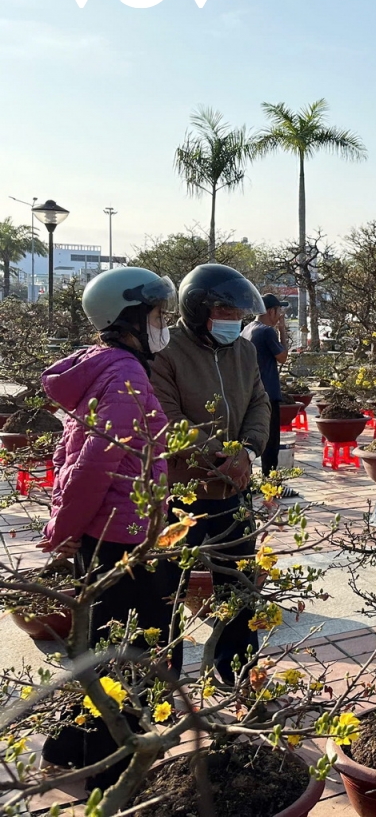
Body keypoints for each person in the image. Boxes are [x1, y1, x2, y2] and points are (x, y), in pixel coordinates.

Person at [38, 267, 178, 785]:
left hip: (111, 530)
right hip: (124, 536)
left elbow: (76, 451)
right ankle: (115, 763)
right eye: (158, 315)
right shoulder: (125, 374)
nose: (165, 325)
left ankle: (74, 743)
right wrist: (61, 528)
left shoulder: (103, 366)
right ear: (130, 320)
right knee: (137, 650)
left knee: (104, 643)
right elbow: (97, 463)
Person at [149, 264, 271, 684]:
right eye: (224, 310)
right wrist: (224, 453)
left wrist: (249, 450)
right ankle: (163, 680)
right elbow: (166, 417)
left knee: (238, 588)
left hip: (232, 492)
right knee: (165, 591)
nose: (233, 319)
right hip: (181, 494)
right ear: (198, 308)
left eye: (238, 312)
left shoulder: (245, 350)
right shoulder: (165, 351)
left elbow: (260, 402)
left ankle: (236, 673)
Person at [241, 294, 295, 495]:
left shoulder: (247, 329)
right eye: (278, 311)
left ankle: (252, 483)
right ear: (271, 311)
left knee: (253, 438)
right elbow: (282, 357)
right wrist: (282, 330)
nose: (279, 315)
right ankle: (271, 485)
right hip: (268, 393)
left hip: (250, 392)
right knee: (271, 442)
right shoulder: (266, 332)